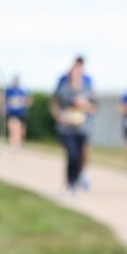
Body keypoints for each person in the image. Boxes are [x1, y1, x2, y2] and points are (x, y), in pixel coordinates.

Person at [51, 64, 97, 194]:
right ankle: (70, 182)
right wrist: (59, 116)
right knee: (72, 155)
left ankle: (75, 181)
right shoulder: (63, 90)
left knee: (80, 156)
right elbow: (55, 104)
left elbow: (94, 107)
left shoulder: (87, 90)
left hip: (82, 129)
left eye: (79, 73)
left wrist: (85, 105)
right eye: (74, 73)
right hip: (66, 129)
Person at [5, 75, 32, 148]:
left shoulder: (24, 91)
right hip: (12, 112)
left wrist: (25, 104)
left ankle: (21, 142)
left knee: (22, 130)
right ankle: (12, 142)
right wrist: (6, 109)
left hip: (21, 113)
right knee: (12, 127)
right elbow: (6, 100)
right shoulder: (9, 90)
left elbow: (29, 101)